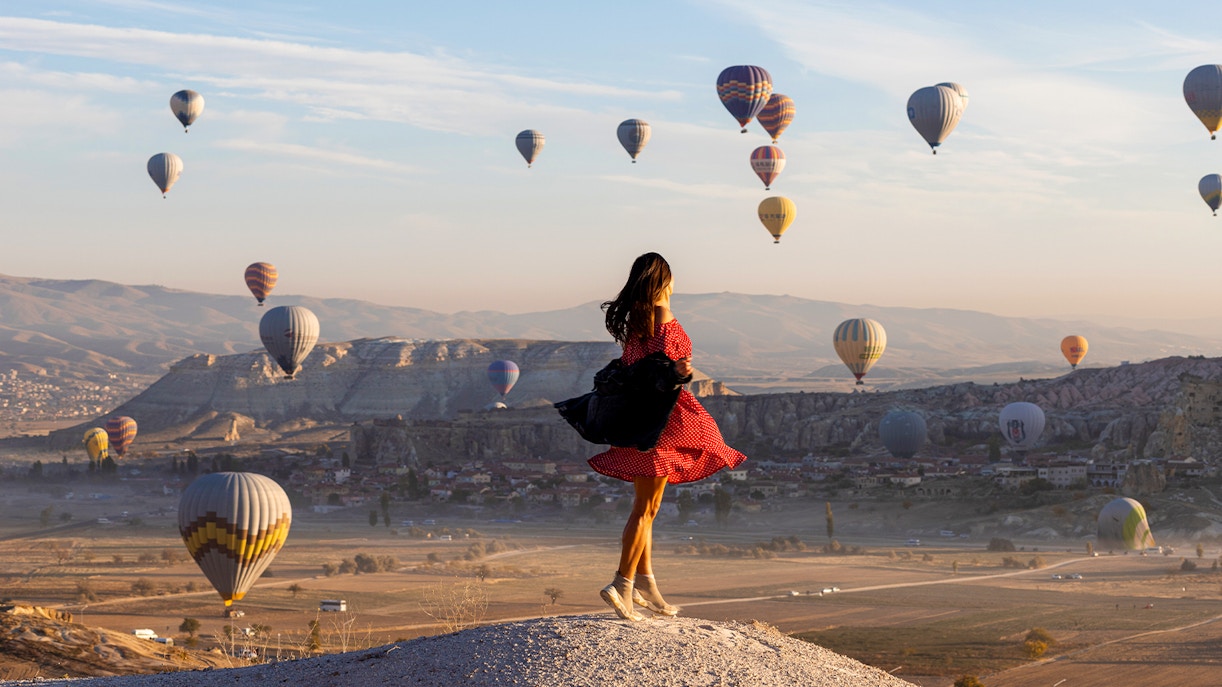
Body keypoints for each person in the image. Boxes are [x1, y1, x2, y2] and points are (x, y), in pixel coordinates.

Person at [589, 252, 747, 621]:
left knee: (649, 507)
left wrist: (672, 372)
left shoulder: (636, 323)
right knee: (645, 510)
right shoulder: (663, 319)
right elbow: (665, 370)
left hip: (641, 420)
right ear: (664, 281)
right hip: (663, 423)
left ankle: (646, 582)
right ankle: (621, 583)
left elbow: (645, 370)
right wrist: (679, 371)